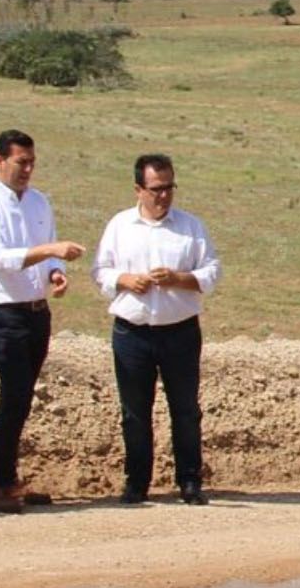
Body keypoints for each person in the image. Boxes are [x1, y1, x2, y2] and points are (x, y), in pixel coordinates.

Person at [0, 129, 86, 514]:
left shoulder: (38, 202)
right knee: (14, 392)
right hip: (0, 312)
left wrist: (54, 271)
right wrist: (50, 250)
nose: (28, 169)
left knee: (21, 395)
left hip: (35, 311)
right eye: (21, 162)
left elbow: (46, 248)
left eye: (32, 162)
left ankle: (8, 478)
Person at [90, 154, 222, 505]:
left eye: (169, 188)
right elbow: (100, 270)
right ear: (138, 189)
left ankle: (190, 482)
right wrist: (124, 279)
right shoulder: (119, 226)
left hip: (179, 331)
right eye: (156, 189)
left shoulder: (191, 227)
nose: (163, 196)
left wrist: (180, 279)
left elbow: (211, 271)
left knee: (185, 410)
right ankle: (137, 483)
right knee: (134, 412)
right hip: (132, 332)